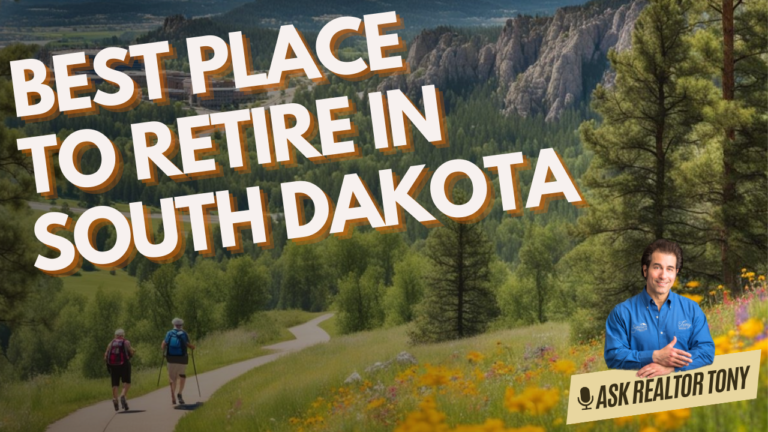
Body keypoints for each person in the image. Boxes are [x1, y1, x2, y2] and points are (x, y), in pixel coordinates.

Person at [604, 239, 715, 378]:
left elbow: (706, 351)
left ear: (676, 272)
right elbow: (613, 356)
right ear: (645, 270)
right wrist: (654, 356)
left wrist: (672, 367)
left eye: (670, 269)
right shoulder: (622, 313)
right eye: (657, 267)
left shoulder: (692, 309)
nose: (663, 276)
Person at [161, 317, 196, 405]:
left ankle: (172, 395)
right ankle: (179, 394)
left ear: (174, 325)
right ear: (181, 325)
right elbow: (188, 344)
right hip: (182, 359)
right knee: (182, 376)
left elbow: (163, 345)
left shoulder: (169, 333)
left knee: (172, 378)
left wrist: (163, 349)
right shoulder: (184, 333)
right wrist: (192, 347)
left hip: (171, 358)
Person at [104, 329, 135, 411]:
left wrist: (109, 364)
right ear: (123, 335)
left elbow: (106, 355)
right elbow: (130, 353)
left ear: (115, 335)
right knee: (126, 382)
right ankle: (123, 395)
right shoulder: (126, 342)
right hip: (124, 364)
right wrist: (132, 352)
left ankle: (115, 399)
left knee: (115, 383)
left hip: (113, 366)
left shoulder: (111, 343)